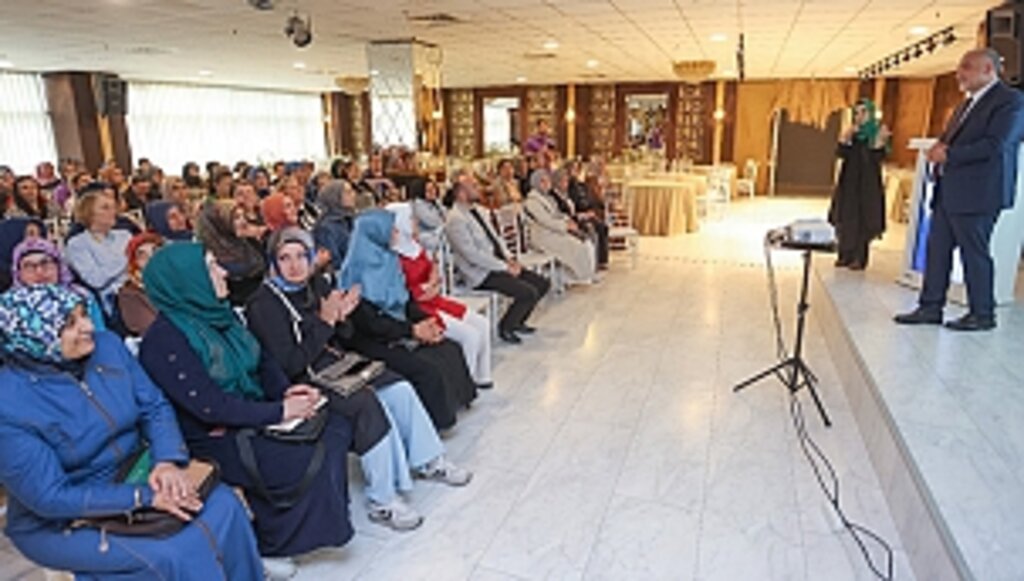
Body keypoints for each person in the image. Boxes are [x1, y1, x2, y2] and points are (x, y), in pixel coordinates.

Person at [0, 284, 263, 580]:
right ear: (34, 337)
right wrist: (143, 498)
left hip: (137, 469)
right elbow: (49, 497)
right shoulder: (9, 404)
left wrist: (166, 461)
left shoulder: (108, 347)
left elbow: (154, 406)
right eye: (70, 323)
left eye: (84, 314)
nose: (88, 326)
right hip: (62, 519)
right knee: (173, 553)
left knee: (224, 504)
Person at [138, 243, 356, 579]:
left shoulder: (221, 313)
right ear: (187, 280)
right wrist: (279, 411)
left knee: (335, 426)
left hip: (249, 410)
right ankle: (271, 541)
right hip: (210, 436)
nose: (224, 272)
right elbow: (210, 406)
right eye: (211, 267)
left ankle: (290, 529)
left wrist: (285, 391)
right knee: (302, 454)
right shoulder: (165, 340)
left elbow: (263, 361)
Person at [247, 227, 473, 530]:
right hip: (302, 381)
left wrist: (342, 317)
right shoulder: (264, 303)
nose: (295, 265)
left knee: (399, 387)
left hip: (335, 365)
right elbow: (290, 363)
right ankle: (383, 500)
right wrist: (326, 320)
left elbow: (344, 338)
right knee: (365, 403)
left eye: (302, 256)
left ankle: (429, 460)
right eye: (285, 258)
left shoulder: (316, 284)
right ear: (272, 262)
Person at [895, 48, 1024, 331]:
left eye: (966, 67)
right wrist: (939, 149)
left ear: (988, 69)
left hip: (979, 193)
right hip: (950, 192)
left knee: (973, 253)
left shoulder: (1010, 101)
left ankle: (982, 313)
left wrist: (949, 155)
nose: (959, 73)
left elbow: (997, 145)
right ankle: (930, 307)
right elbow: (949, 140)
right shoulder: (965, 105)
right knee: (937, 250)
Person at [340, 210, 478, 430]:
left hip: (398, 328)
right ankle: (435, 423)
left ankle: (456, 403)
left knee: (449, 348)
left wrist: (426, 321)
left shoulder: (388, 261)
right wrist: (413, 330)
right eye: (390, 229)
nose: (396, 233)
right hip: (373, 341)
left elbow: (406, 302)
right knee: (427, 369)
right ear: (376, 234)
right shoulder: (356, 274)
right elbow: (371, 324)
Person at [390, 203, 493, 387]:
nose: (415, 222)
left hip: (434, 298)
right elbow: (402, 290)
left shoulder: (414, 245)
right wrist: (425, 290)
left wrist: (434, 281)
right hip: (419, 307)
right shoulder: (393, 255)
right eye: (411, 218)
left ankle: (481, 376)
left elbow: (432, 268)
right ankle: (464, 385)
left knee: (482, 324)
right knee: (470, 335)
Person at [445, 180, 550, 344]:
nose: (478, 189)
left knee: (542, 283)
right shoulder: (455, 219)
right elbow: (472, 255)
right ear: (461, 194)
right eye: (473, 187)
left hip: (497, 264)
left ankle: (517, 321)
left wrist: (509, 258)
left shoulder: (477, 211)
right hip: (480, 273)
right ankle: (506, 327)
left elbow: (496, 238)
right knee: (528, 292)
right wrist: (504, 267)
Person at [829, 99, 890, 270]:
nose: (859, 116)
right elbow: (841, 154)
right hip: (849, 181)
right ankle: (844, 254)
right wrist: (845, 139)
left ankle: (859, 257)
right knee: (846, 215)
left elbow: (877, 159)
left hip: (868, 184)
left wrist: (878, 144)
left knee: (863, 218)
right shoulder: (853, 133)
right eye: (856, 112)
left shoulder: (877, 133)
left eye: (863, 112)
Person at [11, 237, 107, 330]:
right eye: (29, 266)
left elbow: (100, 336)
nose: (39, 272)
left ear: (59, 266)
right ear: (18, 273)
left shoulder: (82, 297)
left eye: (45, 263)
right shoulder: (9, 305)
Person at [524, 170, 597, 285]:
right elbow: (545, 220)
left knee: (583, 242)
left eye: (547, 181)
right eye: (544, 181)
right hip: (542, 236)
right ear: (537, 183)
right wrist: (565, 226)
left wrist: (567, 220)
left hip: (553, 232)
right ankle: (577, 277)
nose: (547, 184)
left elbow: (556, 214)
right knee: (576, 246)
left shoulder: (546, 197)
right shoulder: (532, 201)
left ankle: (583, 275)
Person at [65, 192, 133, 313]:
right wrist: (127, 258)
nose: (113, 212)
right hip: (116, 300)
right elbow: (96, 279)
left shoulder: (125, 235)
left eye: (113, 207)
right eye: (105, 208)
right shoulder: (77, 244)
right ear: (89, 213)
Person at [195, 201, 267, 306]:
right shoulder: (209, 254)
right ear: (221, 222)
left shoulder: (249, 242)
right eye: (236, 218)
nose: (244, 222)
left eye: (243, 216)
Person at [555, 166, 610, 270]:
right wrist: (580, 216)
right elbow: (563, 214)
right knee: (592, 229)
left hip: (576, 218)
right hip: (569, 222)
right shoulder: (555, 196)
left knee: (600, 225)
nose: (566, 184)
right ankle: (591, 264)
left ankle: (599, 260)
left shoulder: (566, 194)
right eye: (564, 181)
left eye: (566, 181)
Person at [117, 232, 164, 337]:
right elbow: (151, 329)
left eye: (155, 251)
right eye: (142, 255)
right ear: (134, 263)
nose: (151, 258)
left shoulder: (179, 281)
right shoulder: (129, 294)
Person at [313, 180, 357, 272]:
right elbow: (334, 262)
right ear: (335, 197)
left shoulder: (350, 220)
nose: (353, 195)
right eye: (348, 192)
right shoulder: (326, 228)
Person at [409, 179, 447, 254]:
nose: (433, 192)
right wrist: (445, 222)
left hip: (438, 237)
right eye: (429, 190)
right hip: (427, 239)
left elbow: (447, 216)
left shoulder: (435, 203)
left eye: (434, 189)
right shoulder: (418, 205)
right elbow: (434, 223)